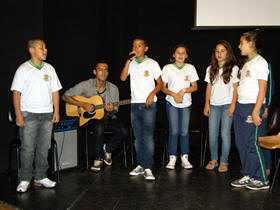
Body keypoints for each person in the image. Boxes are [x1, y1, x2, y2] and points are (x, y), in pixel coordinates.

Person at [11, 38, 62, 193]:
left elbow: (55, 92)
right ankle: (25, 179)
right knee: (28, 148)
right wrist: (18, 115)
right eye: (41, 47)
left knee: (44, 147)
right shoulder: (23, 69)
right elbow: (16, 94)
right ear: (32, 50)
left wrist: (56, 111)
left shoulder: (50, 68)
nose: (45, 50)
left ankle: (41, 176)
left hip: (47, 114)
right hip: (29, 114)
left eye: (45, 47)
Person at [62, 61, 128, 172]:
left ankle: (108, 149)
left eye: (106, 70)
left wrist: (111, 111)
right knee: (99, 126)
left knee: (124, 131)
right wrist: (82, 104)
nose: (103, 72)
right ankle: (98, 159)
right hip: (90, 120)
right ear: (95, 72)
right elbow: (65, 96)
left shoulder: (114, 89)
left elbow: (114, 112)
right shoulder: (85, 85)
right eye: (100, 69)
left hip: (108, 118)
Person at [230, 30, 269, 190]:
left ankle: (262, 179)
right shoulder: (247, 63)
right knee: (241, 143)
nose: (239, 46)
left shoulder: (261, 63)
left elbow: (262, 89)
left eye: (241, 43)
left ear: (251, 43)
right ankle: (248, 174)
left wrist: (256, 111)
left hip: (252, 107)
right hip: (241, 106)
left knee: (251, 143)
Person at [120, 37, 163, 180]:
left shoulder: (152, 63)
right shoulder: (131, 63)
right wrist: (128, 60)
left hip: (148, 104)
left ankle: (148, 167)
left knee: (148, 136)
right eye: (134, 46)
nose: (136, 48)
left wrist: (151, 94)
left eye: (139, 46)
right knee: (138, 137)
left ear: (145, 48)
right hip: (135, 104)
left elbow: (160, 84)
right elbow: (122, 78)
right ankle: (141, 165)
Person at [161, 44, 199, 170]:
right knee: (174, 131)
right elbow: (162, 87)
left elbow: (195, 86)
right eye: (178, 52)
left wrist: (183, 91)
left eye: (183, 53)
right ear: (174, 55)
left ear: (186, 55)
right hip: (172, 103)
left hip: (186, 104)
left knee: (184, 131)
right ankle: (172, 157)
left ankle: (185, 157)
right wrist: (174, 94)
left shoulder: (190, 68)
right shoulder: (167, 68)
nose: (181, 55)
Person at [204, 40, 239, 172]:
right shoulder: (210, 69)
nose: (219, 54)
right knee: (212, 134)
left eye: (222, 51)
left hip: (227, 105)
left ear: (228, 53)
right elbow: (209, 87)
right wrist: (206, 104)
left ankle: (224, 161)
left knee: (225, 134)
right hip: (213, 105)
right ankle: (214, 159)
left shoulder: (234, 69)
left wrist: (233, 105)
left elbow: (236, 88)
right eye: (217, 51)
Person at [258, 63, 275, 176]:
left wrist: (266, 106)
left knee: (262, 137)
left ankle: (267, 166)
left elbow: (270, 87)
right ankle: (256, 166)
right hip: (248, 106)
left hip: (261, 107)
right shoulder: (246, 64)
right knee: (252, 139)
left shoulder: (264, 63)